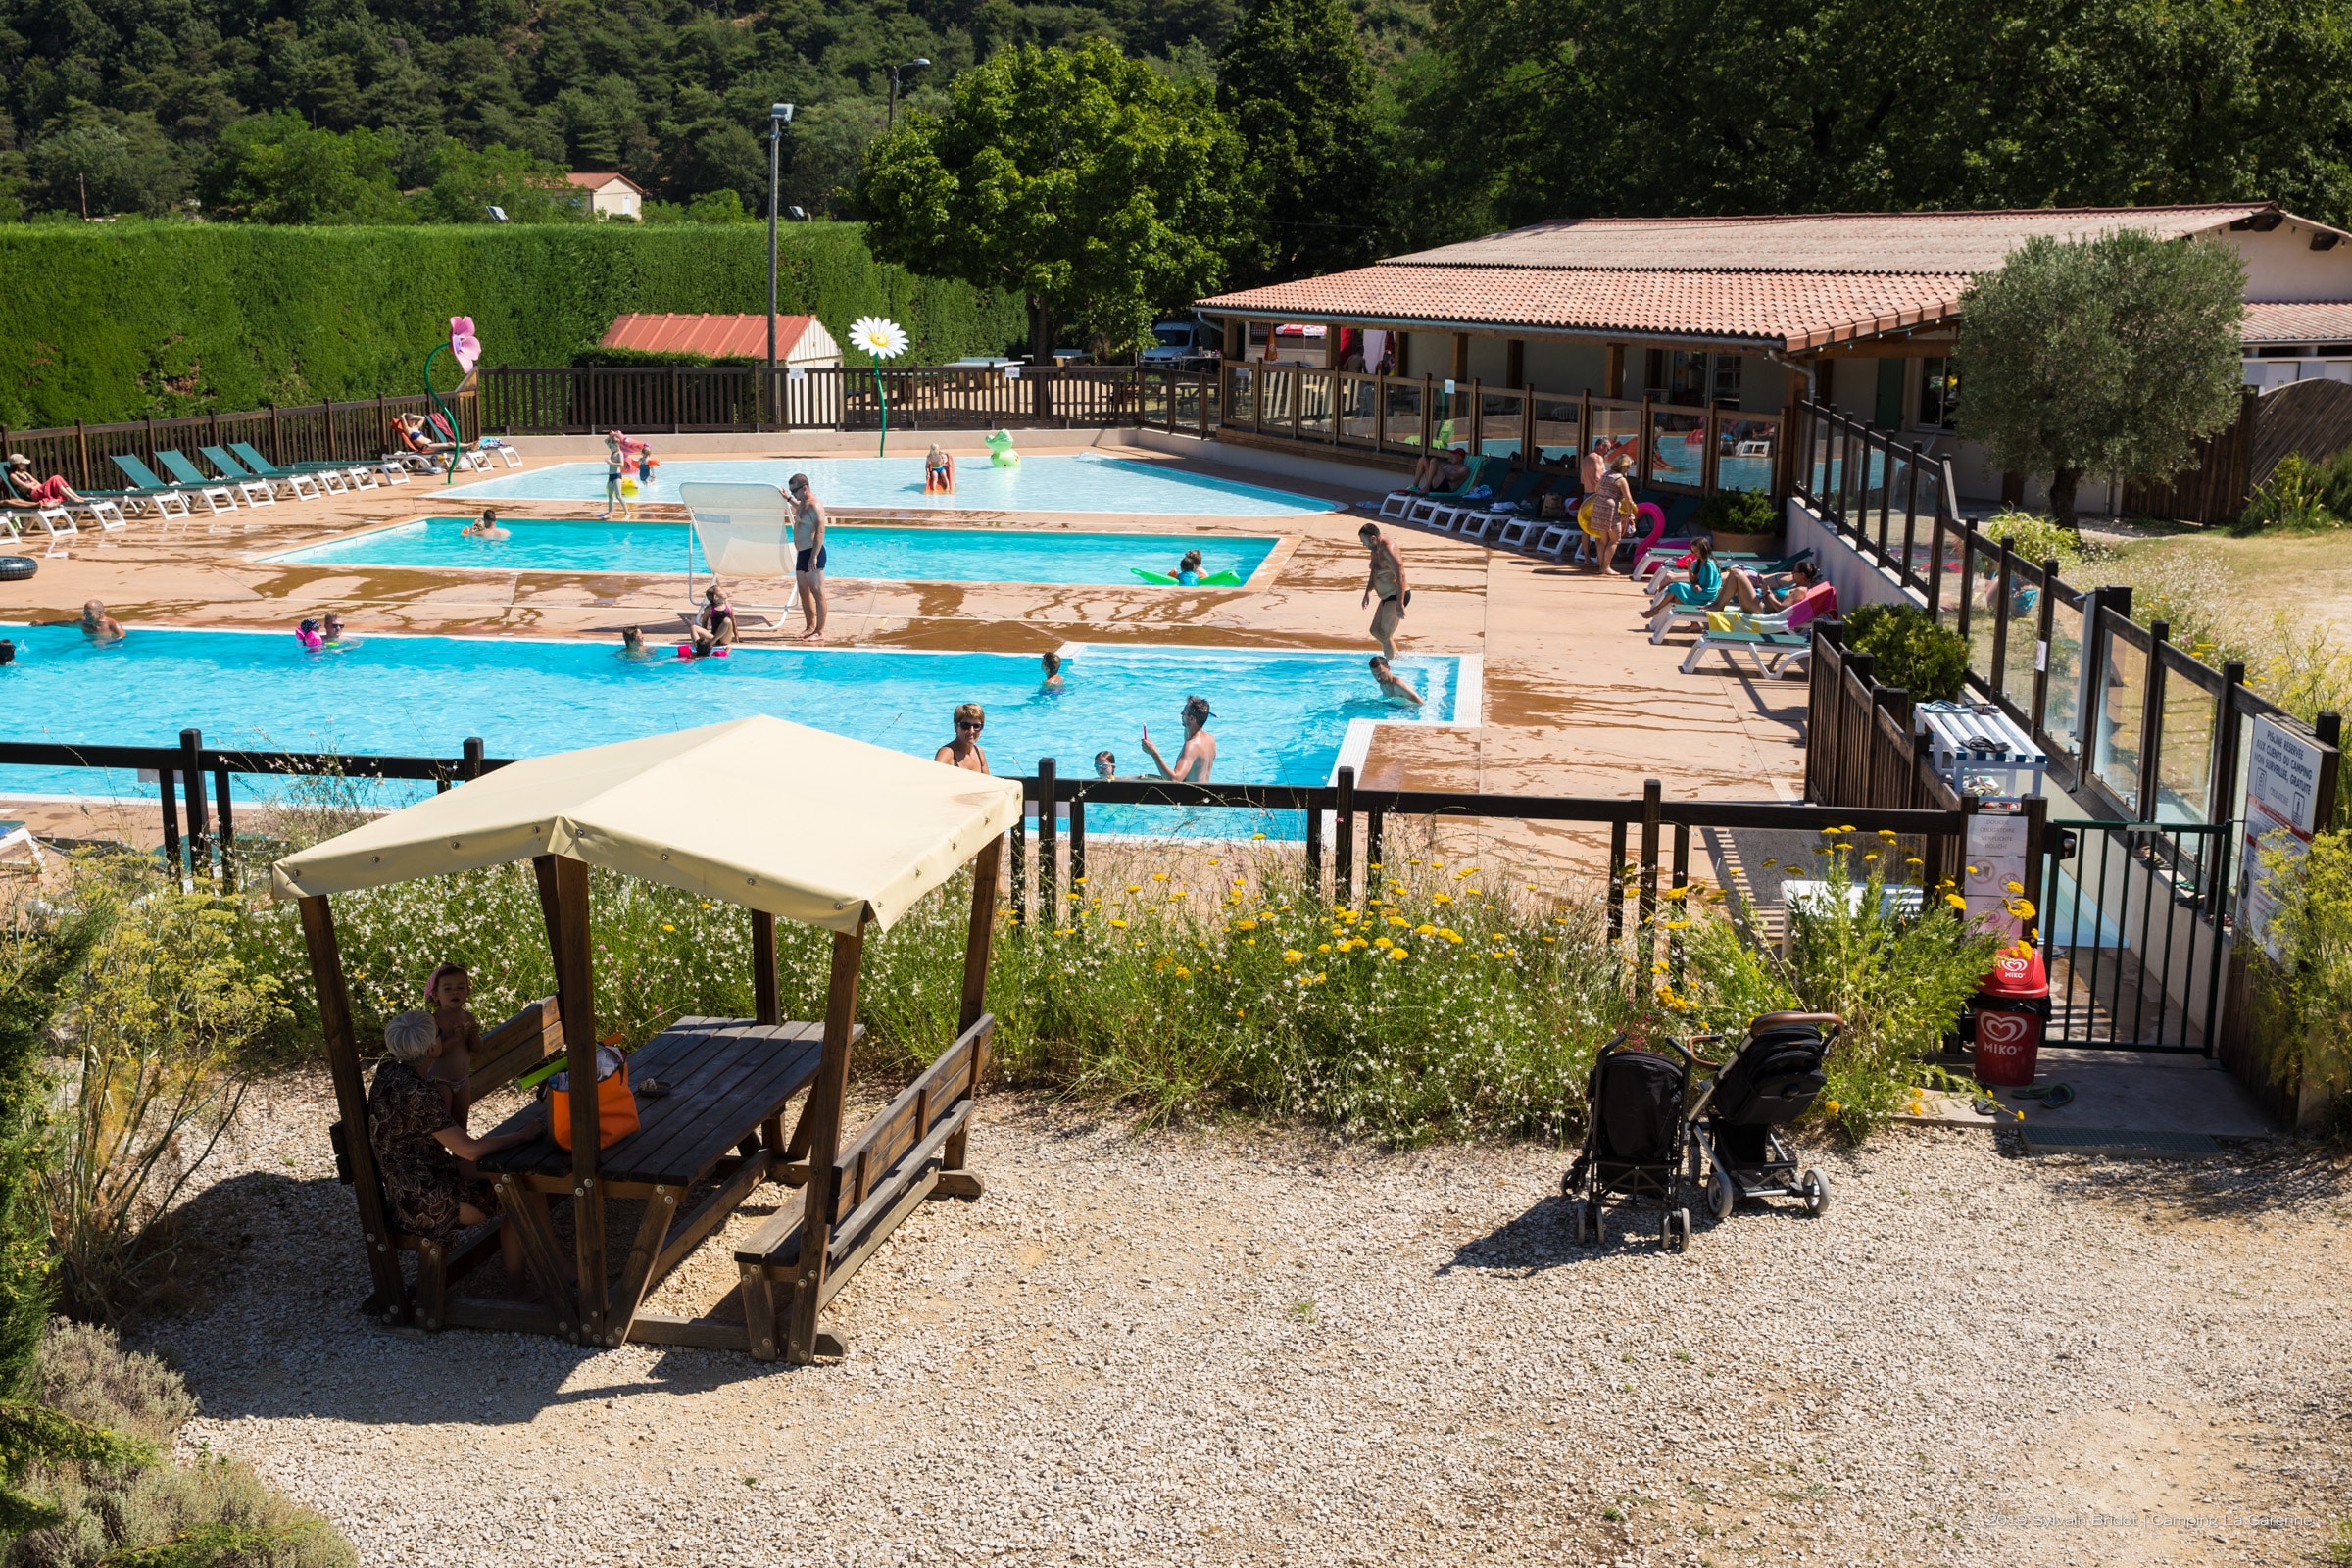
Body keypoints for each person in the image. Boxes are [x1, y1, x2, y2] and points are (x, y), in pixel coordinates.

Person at [367, 1010, 551, 1298]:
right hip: (428, 1199)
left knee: (524, 1178)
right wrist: (523, 1135)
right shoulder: (418, 1094)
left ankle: (552, 1270)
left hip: (410, 1186)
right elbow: (468, 1149)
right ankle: (518, 1288)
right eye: (440, 1033)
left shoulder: (389, 1074)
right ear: (432, 1048)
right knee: (524, 1193)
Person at [424, 961, 483, 1115]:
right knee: (445, 1121)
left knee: (462, 1118)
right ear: (436, 995)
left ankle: (463, 1138)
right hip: (440, 1081)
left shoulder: (468, 1017)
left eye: (460, 988)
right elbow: (435, 1053)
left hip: (463, 1080)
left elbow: (476, 1049)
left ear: (467, 992)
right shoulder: (435, 1020)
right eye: (447, 989)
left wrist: (474, 1035)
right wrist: (454, 1039)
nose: (454, 992)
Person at [787, 472, 828, 642]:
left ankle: (819, 631)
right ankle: (810, 626)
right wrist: (788, 499)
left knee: (818, 592)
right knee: (804, 592)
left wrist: (814, 556)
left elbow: (820, 530)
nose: (793, 493)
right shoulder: (802, 503)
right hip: (802, 554)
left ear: (804, 488)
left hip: (813, 553)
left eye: (794, 491)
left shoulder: (815, 505)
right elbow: (801, 510)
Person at [1358, 523, 1409, 661]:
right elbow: (1374, 572)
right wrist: (1367, 592)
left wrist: (1400, 604)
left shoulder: (1389, 550)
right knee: (1375, 631)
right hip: (1387, 597)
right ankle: (1398, 658)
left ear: (1373, 538)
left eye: (1364, 541)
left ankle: (1391, 665)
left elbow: (1401, 576)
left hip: (1396, 595)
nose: (1364, 545)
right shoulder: (1375, 549)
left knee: (1385, 635)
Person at [1142, 695, 1216, 783]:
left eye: (1183, 713)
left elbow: (1175, 780)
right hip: (1205, 792)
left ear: (1191, 719)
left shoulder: (1192, 746)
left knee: (1141, 780)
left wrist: (1154, 753)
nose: (1181, 714)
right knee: (1141, 777)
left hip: (1189, 795)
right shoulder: (1210, 739)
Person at [1587, 454, 1637, 575]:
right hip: (1610, 509)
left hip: (1599, 507)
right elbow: (1629, 499)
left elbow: (1597, 488)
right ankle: (1606, 567)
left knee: (1603, 540)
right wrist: (1630, 513)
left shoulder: (1606, 474)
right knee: (1615, 540)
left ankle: (1601, 566)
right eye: (1628, 467)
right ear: (1623, 466)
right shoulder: (1620, 479)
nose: (1628, 469)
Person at [5, 453, 84, 508]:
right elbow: (26, 487)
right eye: (23, 463)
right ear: (17, 464)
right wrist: (33, 484)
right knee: (55, 478)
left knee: (57, 477)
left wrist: (32, 484)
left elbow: (38, 483)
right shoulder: (13, 476)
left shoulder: (25, 473)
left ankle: (75, 496)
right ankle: (72, 497)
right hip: (34, 495)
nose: (24, 465)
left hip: (38, 491)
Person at [935, 703, 989, 772]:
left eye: (976, 726)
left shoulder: (979, 752)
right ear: (956, 727)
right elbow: (933, 778)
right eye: (966, 725)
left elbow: (989, 781)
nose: (971, 731)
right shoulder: (947, 753)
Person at [689, 584, 737, 656]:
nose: (724, 591)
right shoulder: (709, 609)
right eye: (721, 590)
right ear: (716, 597)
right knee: (693, 627)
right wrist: (702, 639)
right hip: (713, 636)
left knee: (727, 620)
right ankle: (700, 648)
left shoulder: (728, 606)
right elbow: (704, 622)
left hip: (724, 639)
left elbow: (733, 620)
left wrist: (736, 635)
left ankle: (709, 645)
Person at [602, 430, 629, 518]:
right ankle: (610, 513)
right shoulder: (613, 452)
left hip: (617, 476)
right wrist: (613, 435)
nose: (610, 448)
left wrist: (610, 462)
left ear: (617, 445)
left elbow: (621, 465)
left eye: (611, 446)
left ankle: (627, 512)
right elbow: (605, 441)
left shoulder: (619, 453)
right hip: (611, 476)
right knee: (610, 495)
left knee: (618, 496)